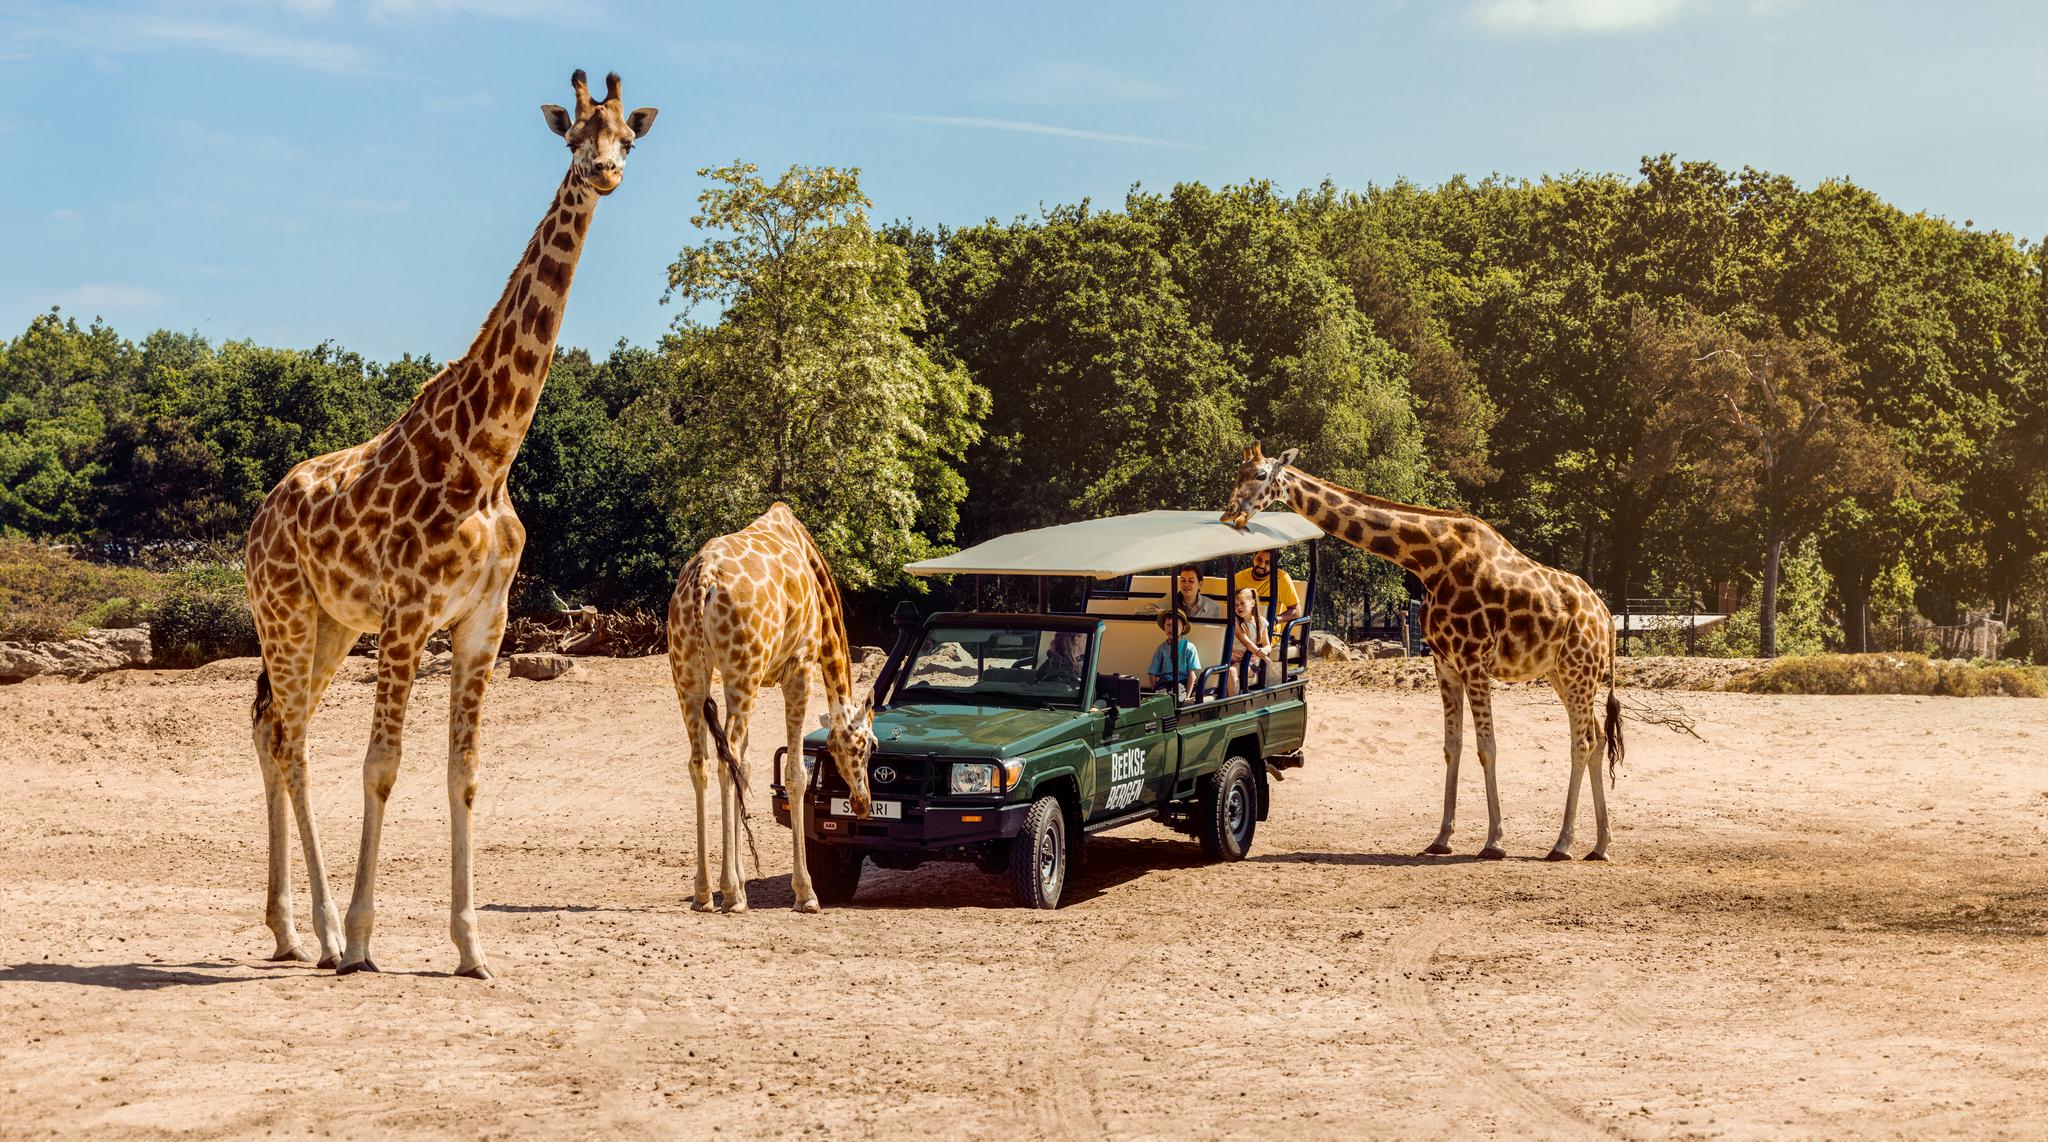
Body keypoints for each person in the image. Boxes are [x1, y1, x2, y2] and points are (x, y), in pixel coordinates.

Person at [1225, 586, 1275, 696]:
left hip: (1249, 662)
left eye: (1242, 603)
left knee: (1231, 671)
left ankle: (1234, 704)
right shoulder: (1236, 622)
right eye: (1236, 605)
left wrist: (1264, 651)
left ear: (1252, 603)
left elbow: (1267, 644)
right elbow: (1245, 641)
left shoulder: (1261, 622)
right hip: (1233, 658)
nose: (1239, 607)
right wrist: (1257, 651)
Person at [1233, 549, 1301, 625]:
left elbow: (1296, 611)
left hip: (1268, 632)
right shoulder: (1238, 578)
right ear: (1253, 557)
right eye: (1259, 560)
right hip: (1239, 629)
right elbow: (1227, 608)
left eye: (1268, 563)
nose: (1261, 565)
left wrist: (1272, 621)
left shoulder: (1281, 578)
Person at [1145, 608, 1202, 700]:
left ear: (1183, 627)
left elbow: (1192, 675)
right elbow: (1152, 674)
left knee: (1176, 698)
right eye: (1168, 625)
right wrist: (1155, 689)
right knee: (1160, 699)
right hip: (1165, 682)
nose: (1171, 628)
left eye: (1176, 625)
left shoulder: (1189, 647)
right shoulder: (1161, 648)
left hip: (1183, 682)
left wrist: (1187, 696)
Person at [1141, 564, 1220, 622]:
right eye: (1183, 580)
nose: (1186, 584)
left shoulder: (1213, 607)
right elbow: (1140, 612)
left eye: (1191, 581)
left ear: (1200, 584)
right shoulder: (1170, 599)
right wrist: (1166, 613)